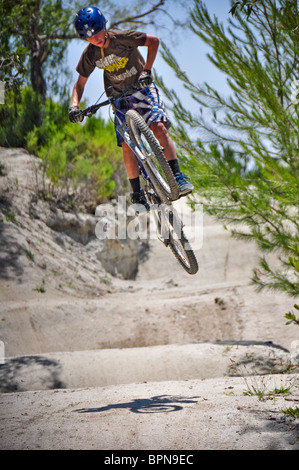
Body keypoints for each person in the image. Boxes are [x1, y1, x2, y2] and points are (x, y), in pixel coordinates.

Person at [69, 6, 193, 214]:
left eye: (98, 33)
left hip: (142, 88)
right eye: (89, 38)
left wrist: (147, 71)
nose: (96, 39)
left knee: (159, 127)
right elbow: (79, 84)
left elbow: (153, 41)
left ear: (104, 27)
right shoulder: (90, 54)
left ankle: (177, 176)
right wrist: (74, 106)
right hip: (118, 98)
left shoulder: (122, 38)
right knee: (127, 145)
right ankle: (137, 194)